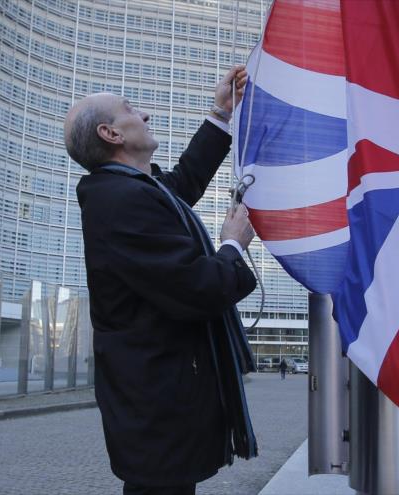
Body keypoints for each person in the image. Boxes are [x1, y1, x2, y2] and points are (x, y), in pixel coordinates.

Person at [65, 65, 258, 494]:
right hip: (157, 406)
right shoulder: (120, 201)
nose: (145, 114)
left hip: (157, 403)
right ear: (111, 134)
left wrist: (219, 114)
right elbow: (197, 288)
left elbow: (180, 184)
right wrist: (232, 246)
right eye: (131, 109)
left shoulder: (126, 191)